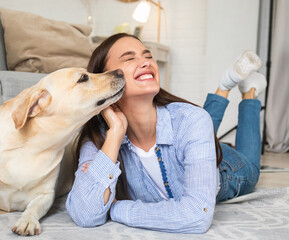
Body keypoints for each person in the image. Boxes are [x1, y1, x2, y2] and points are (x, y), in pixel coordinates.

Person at [65, 33, 267, 233]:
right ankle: (225, 86)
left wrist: (116, 208)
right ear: (104, 79)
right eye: (129, 58)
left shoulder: (189, 120)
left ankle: (248, 92)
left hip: (226, 169)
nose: (145, 62)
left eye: (147, 55)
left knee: (249, 164)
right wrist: (116, 133)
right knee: (197, 122)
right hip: (189, 143)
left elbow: (198, 215)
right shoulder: (100, 138)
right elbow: (86, 214)